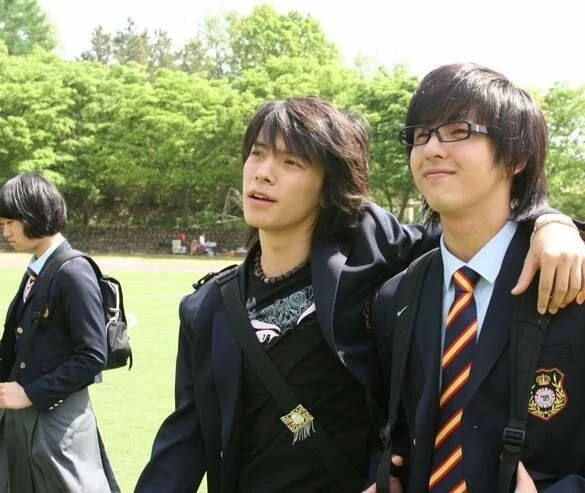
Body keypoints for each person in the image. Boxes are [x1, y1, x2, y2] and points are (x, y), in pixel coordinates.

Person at [135, 96, 585, 493]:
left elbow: (474, 226)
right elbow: (184, 441)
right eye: (257, 154)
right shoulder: (208, 307)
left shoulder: (374, 258)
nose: (263, 174)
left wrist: (550, 221)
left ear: (328, 185)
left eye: (291, 162)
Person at [371, 63, 585, 493]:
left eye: (458, 131)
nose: (432, 148)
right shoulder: (397, 297)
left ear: (516, 158)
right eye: (420, 134)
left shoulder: (570, 275)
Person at [0, 173, 119, 493]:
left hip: (58, 424)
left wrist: (31, 394)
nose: (5, 231)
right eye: (2, 223)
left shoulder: (73, 271)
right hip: (25, 419)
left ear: (35, 214)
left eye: (11, 222)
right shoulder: (38, 267)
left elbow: (92, 356)